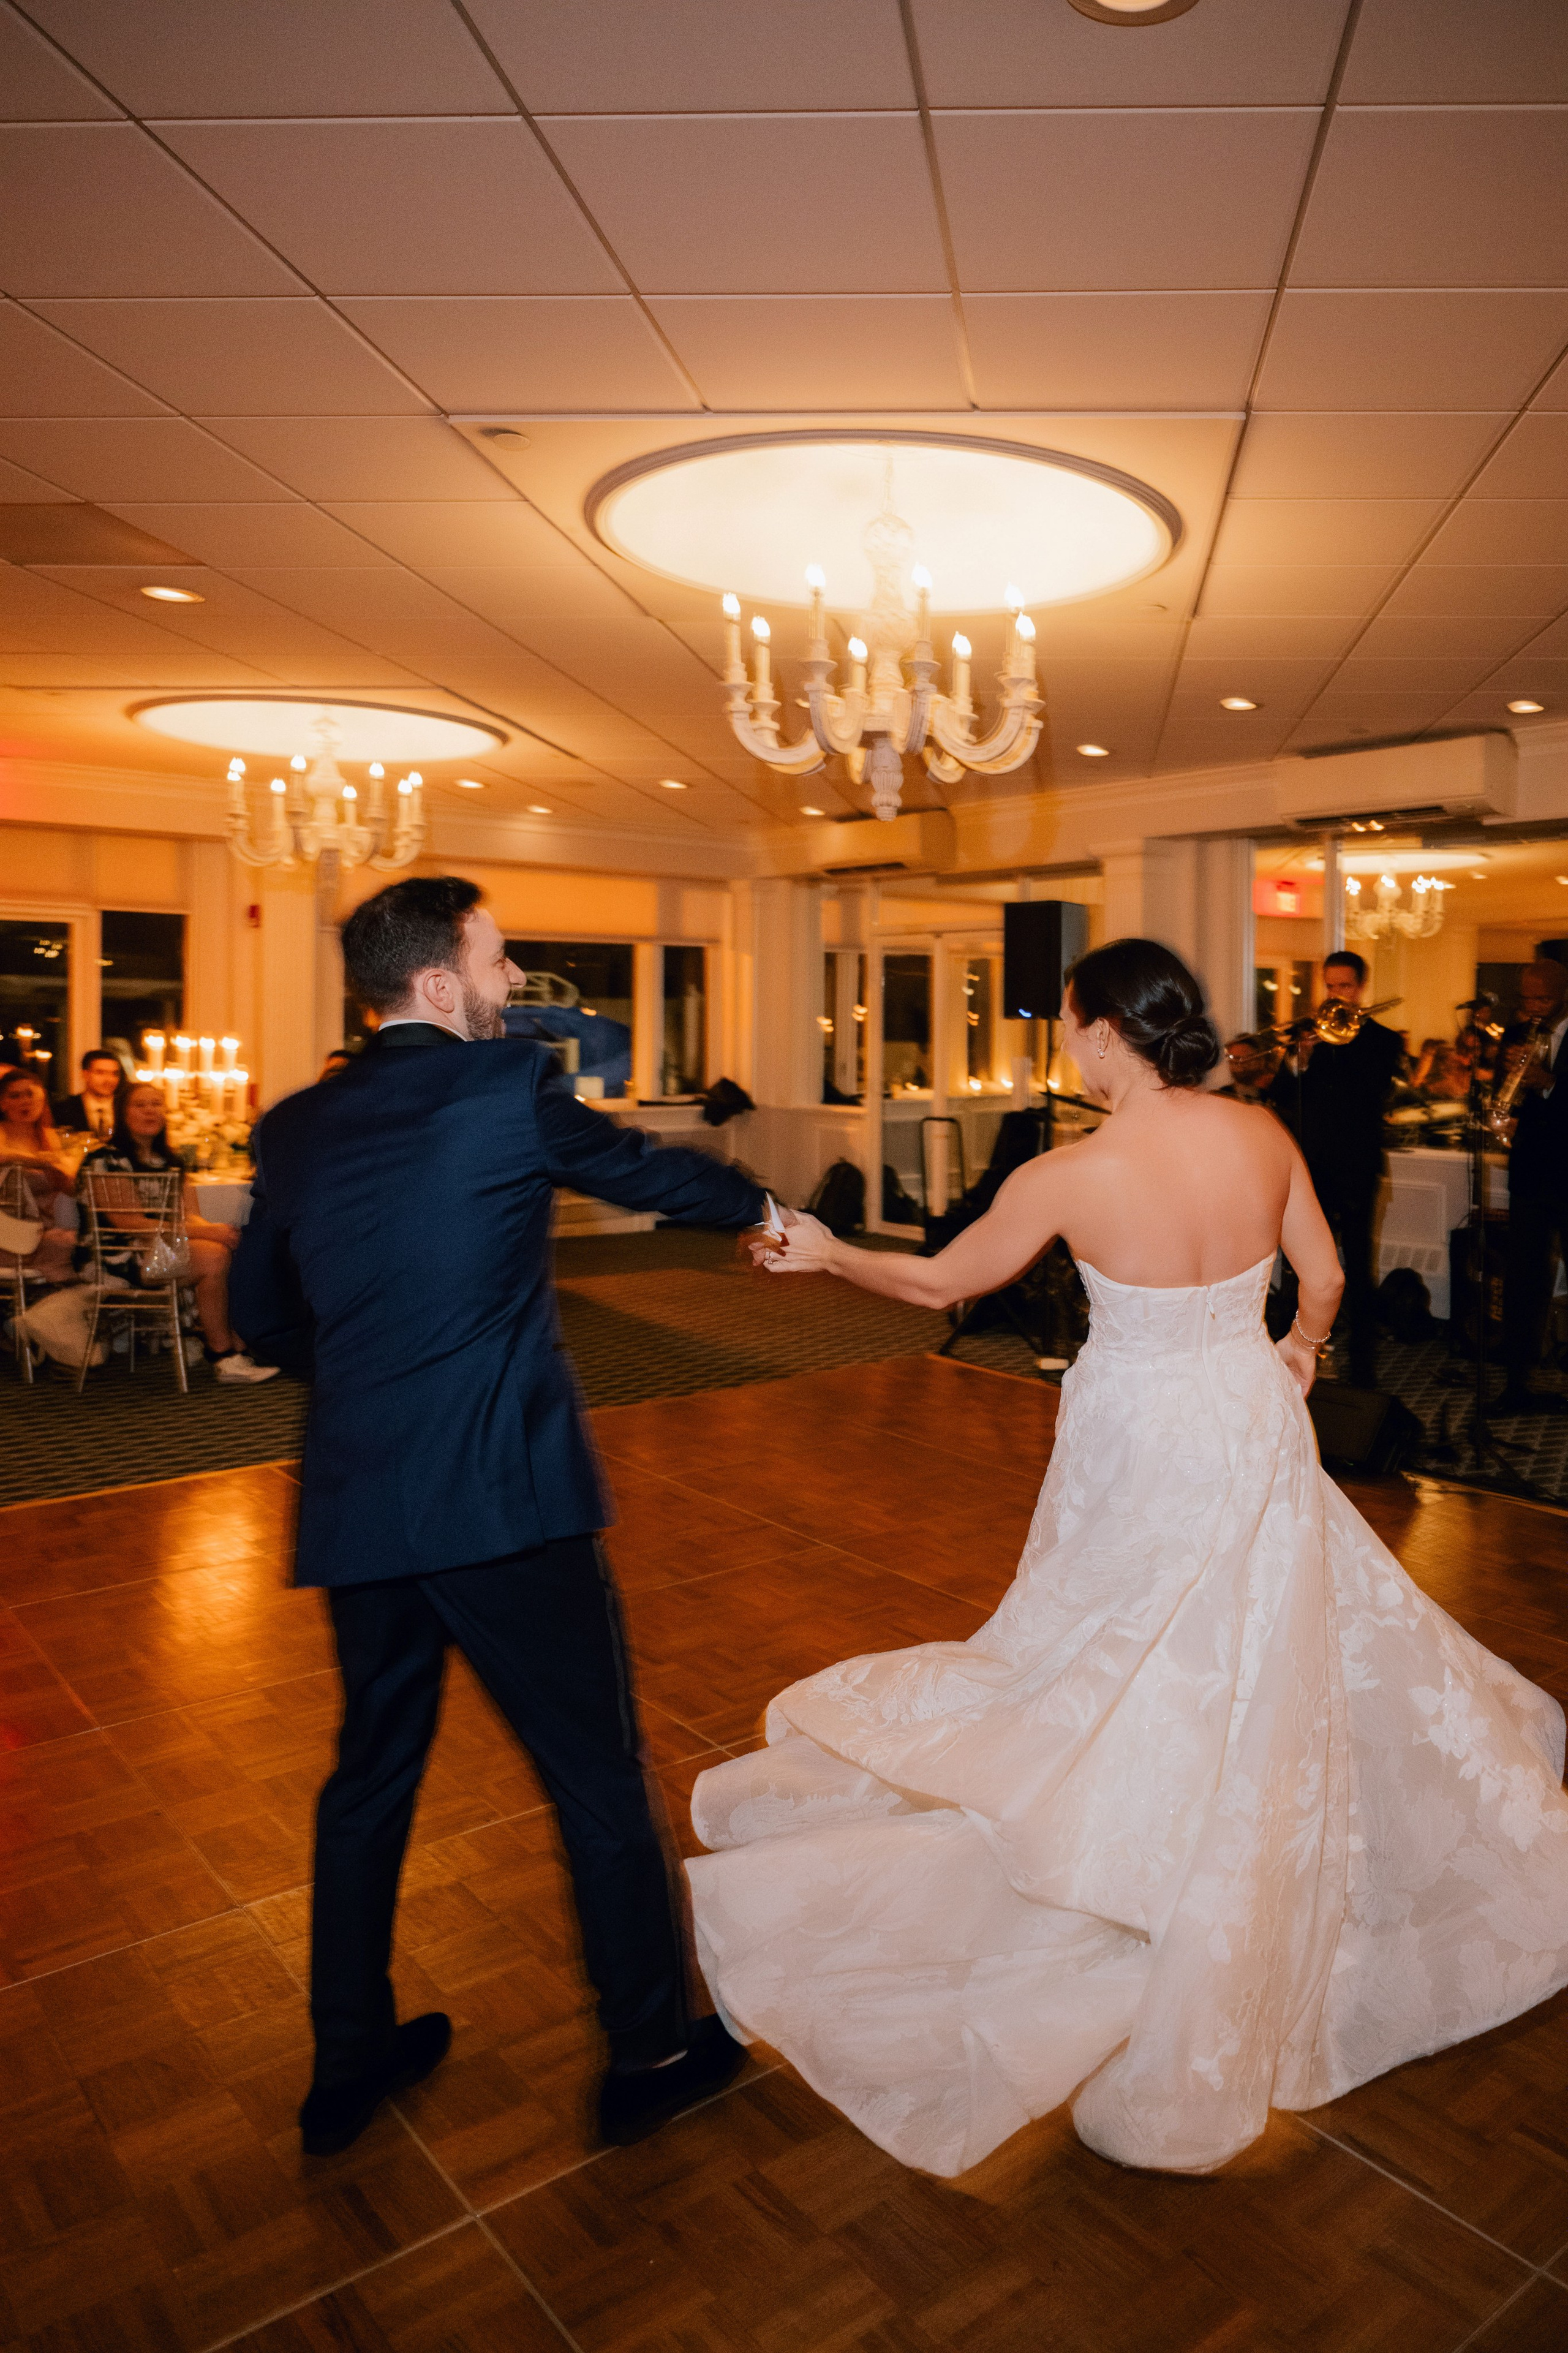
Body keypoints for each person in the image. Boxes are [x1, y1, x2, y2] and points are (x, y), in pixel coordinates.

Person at [685, 939, 1568, 2181]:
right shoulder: (1262, 1136)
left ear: (1104, 1033)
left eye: (1063, 1024)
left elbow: (943, 1282)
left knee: (1107, 1640)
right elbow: (1322, 1278)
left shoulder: (1071, 1173)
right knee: (1257, 1637)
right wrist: (1297, 1355)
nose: (1061, 1042)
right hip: (1248, 1411)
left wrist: (826, 1252)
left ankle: (1126, 1849)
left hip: (1139, 1432)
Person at [228, 875, 767, 2161]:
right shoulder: (505, 1085)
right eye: (497, 956)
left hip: (362, 1499)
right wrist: (769, 1213)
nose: (514, 977)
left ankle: (346, 2063)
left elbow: (261, 1312)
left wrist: (375, 1383)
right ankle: (645, 2052)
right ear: (434, 984)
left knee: (368, 1784)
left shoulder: (296, 1124)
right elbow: (648, 1174)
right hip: (503, 1504)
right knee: (593, 1777)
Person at [1265, 949, 1403, 1387]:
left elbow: (1371, 1091)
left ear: (1360, 987)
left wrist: (1339, 1041)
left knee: (1358, 1272)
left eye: (1344, 986)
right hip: (1312, 1170)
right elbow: (1281, 1094)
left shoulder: (1383, 1039)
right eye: (1329, 986)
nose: (1336, 993)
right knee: (1300, 1268)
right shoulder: (1308, 1037)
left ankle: (1362, 1375)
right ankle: (1285, 1361)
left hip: (1358, 1169)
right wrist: (1300, 1058)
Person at [78, 1081, 277, 1382]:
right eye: (140, 1105)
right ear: (123, 1113)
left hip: (164, 1250)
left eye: (156, 1105)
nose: (150, 1111)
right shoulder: (105, 1160)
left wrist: (218, 1230)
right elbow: (128, 1224)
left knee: (237, 1244)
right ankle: (222, 1354)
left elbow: (191, 1216)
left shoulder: (170, 1161)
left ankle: (240, 1343)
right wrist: (207, 1236)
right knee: (212, 1255)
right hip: (121, 1257)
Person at [1493, 956, 1568, 1416]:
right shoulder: (1519, 1033)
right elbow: (1513, 1097)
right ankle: (1515, 1383)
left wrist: (1550, 1083)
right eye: (1527, 998)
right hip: (1530, 1176)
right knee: (1523, 1281)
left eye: (1543, 998)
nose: (1534, 1007)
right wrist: (1510, 1080)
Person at [0, 1067, 78, 1281]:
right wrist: (40, 1161)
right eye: (15, 1096)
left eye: (30, 1094)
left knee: (83, 1242)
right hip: (9, 1234)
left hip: (45, 1228)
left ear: (41, 1098)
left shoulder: (49, 1137)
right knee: (68, 1247)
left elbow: (69, 1187)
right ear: (3, 1103)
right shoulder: (2, 1133)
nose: (24, 1101)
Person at [53, 1046, 126, 1140]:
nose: (109, 1080)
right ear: (85, 1075)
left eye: (114, 1074)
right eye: (101, 1073)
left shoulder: (126, 1108)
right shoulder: (62, 1110)